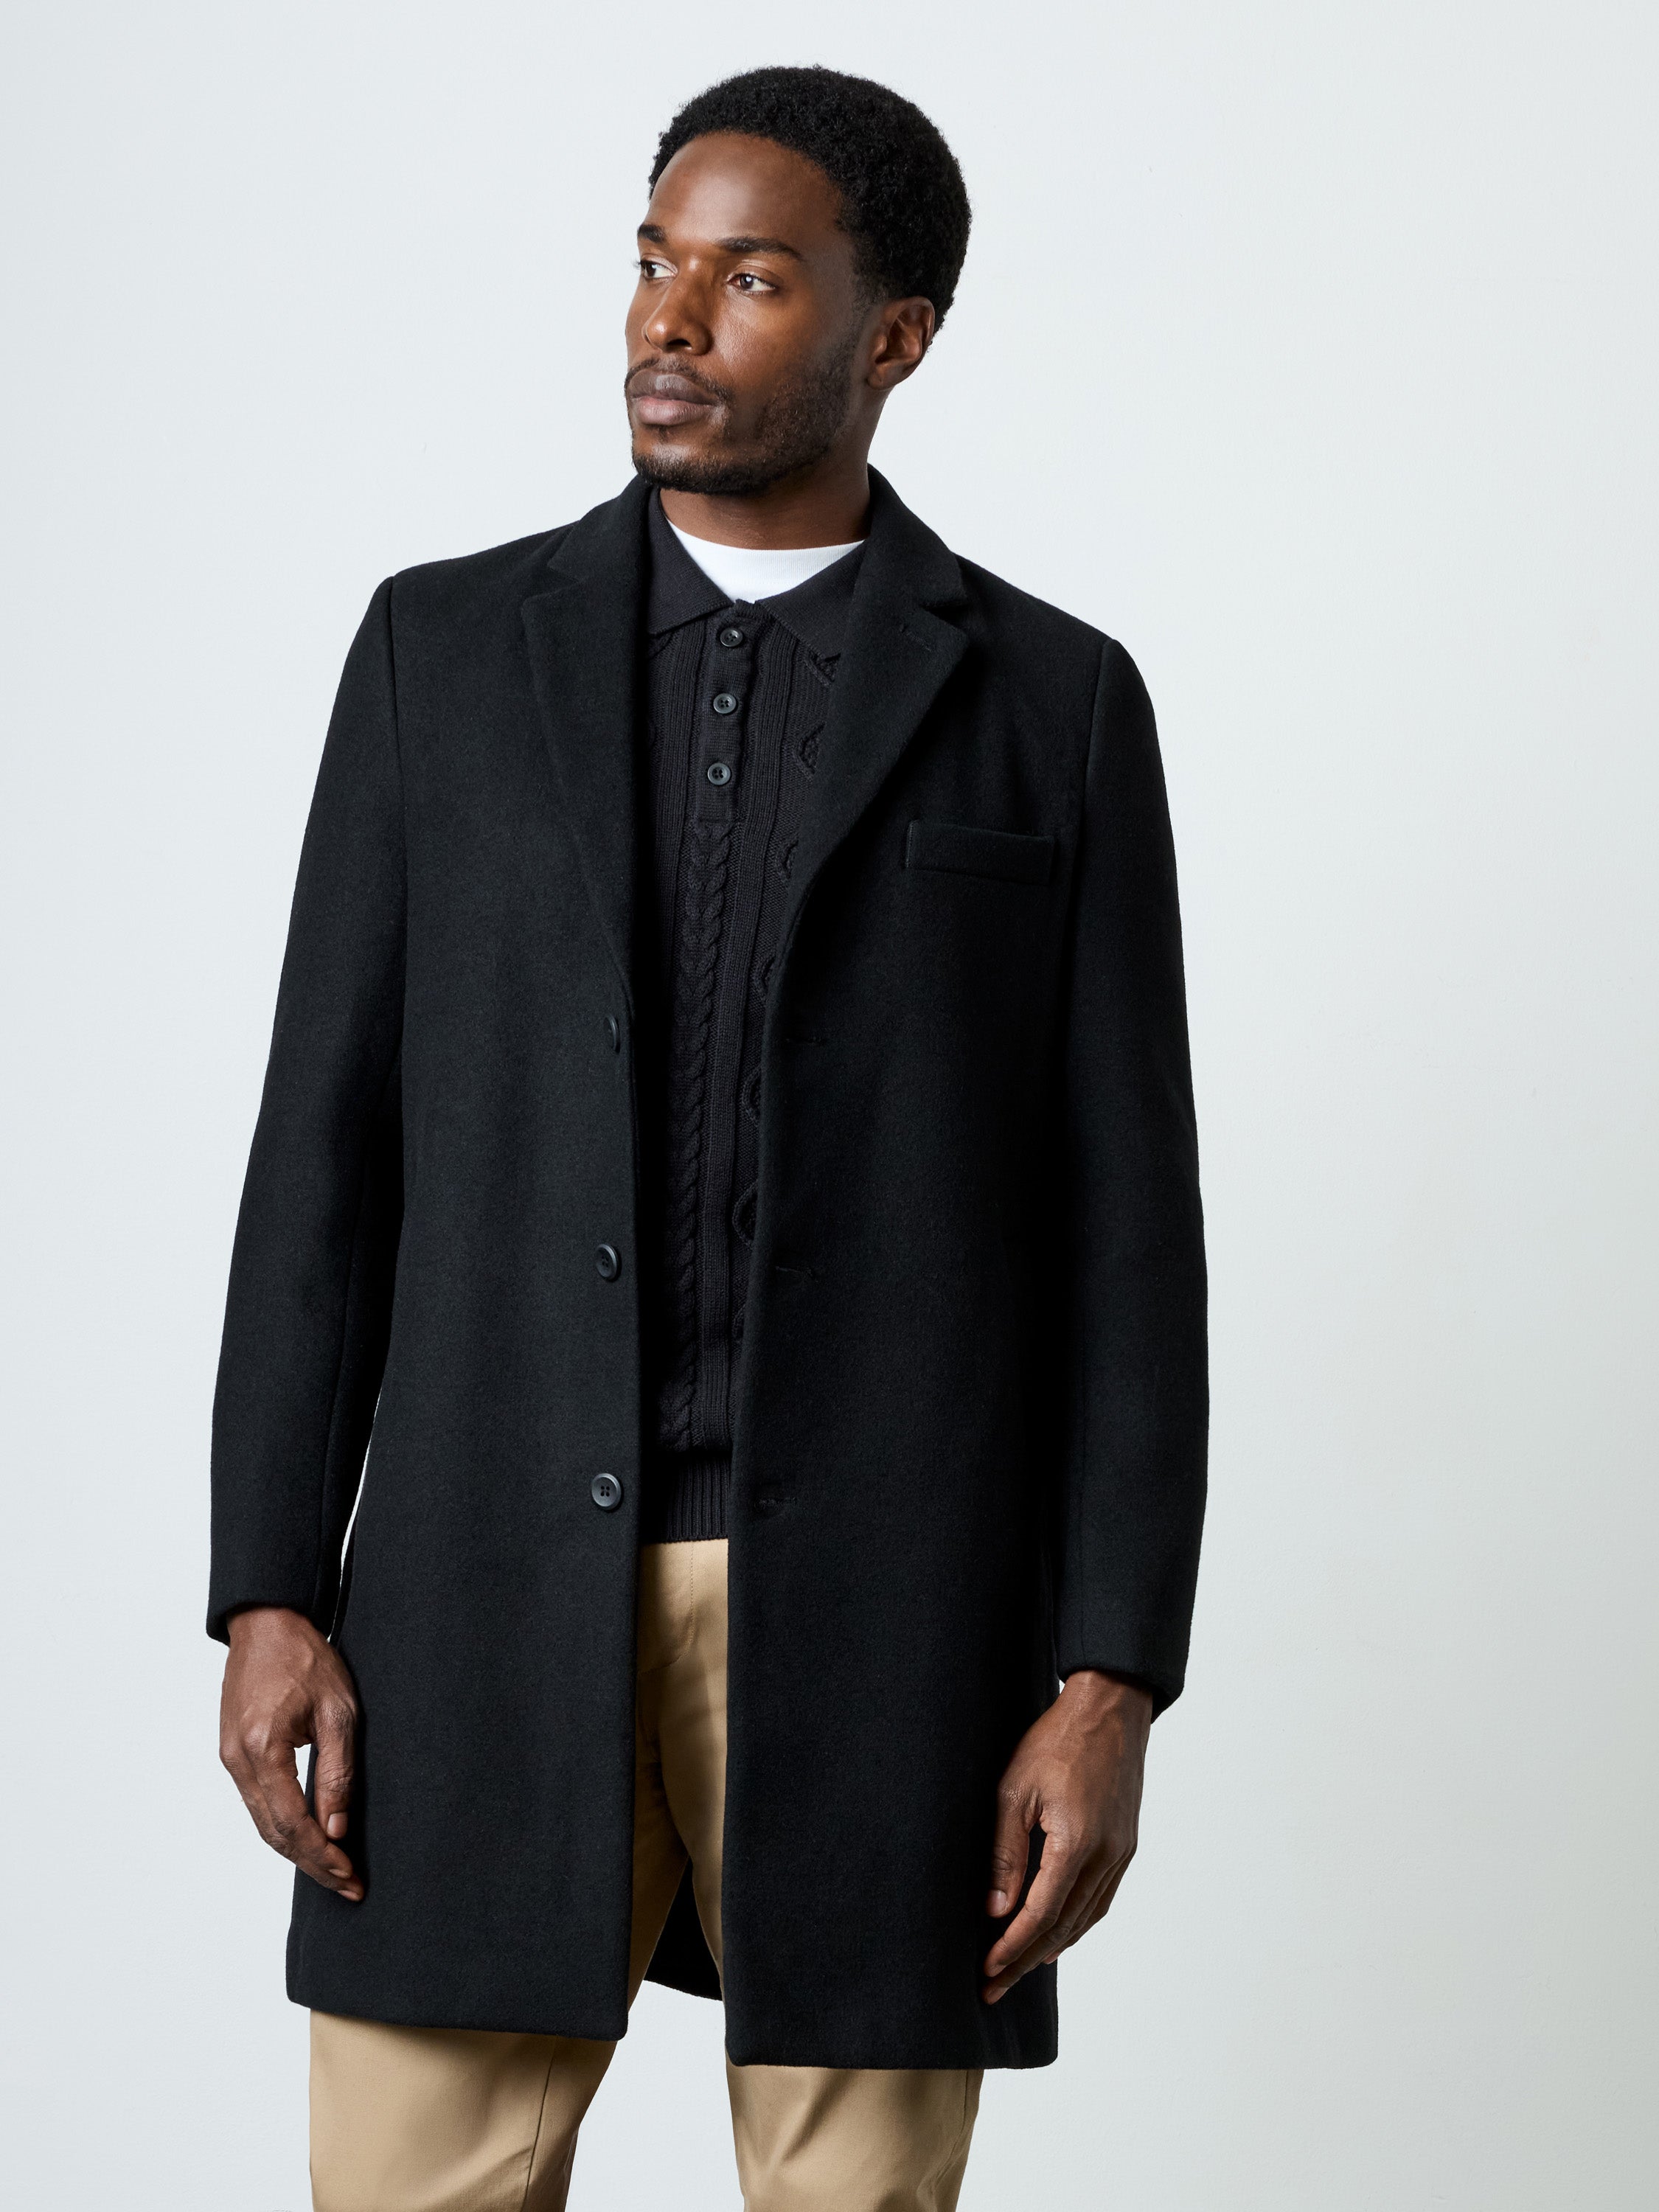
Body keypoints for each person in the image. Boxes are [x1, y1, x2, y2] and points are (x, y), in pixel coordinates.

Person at [211, 63, 1208, 2212]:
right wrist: (271, 1587)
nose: (668, 320)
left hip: (892, 1614)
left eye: (750, 278)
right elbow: (322, 1159)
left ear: (893, 335)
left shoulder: (1054, 705)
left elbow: (1128, 1235)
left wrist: (1111, 1677)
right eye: (655, 262)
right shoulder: (442, 653)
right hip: (476, 1586)